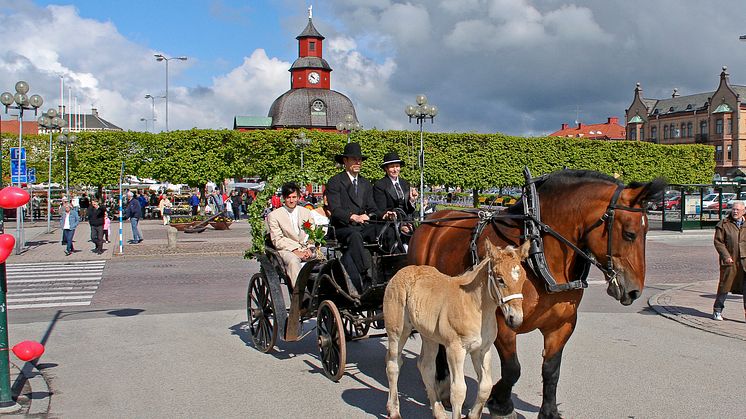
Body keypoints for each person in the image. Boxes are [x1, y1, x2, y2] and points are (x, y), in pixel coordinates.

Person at [326, 142, 380, 294]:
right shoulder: (335, 182)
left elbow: (373, 208)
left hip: (362, 225)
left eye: (360, 159)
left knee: (385, 231)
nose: (358, 162)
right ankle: (365, 276)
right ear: (345, 161)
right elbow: (335, 210)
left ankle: (389, 270)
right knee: (355, 235)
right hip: (342, 228)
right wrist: (354, 217)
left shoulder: (365, 183)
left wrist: (370, 216)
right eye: (354, 159)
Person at [266, 182, 315, 288]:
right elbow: (277, 239)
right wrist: (295, 250)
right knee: (293, 261)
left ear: (298, 197)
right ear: (284, 198)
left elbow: (312, 233)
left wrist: (309, 248)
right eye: (288, 197)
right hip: (286, 250)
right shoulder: (274, 215)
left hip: (306, 248)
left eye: (294, 197)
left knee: (326, 259)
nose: (291, 200)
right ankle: (300, 294)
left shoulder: (306, 212)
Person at [373, 151, 418, 251]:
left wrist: (412, 200)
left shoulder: (405, 183)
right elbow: (381, 209)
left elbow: (409, 209)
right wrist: (399, 225)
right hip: (390, 224)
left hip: (407, 221)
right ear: (386, 168)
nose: (395, 169)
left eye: (397, 166)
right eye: (392, 167)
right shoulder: (380, 185)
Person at [713, 200, 746, 321]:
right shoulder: (724, 224)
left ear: (744, 211)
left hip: (744, 261)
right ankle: (717, 310)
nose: (735, 211)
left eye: (738, 210)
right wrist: (726, 256)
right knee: (724, 286)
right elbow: (718, 242)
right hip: (730, 260)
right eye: (733, 209)